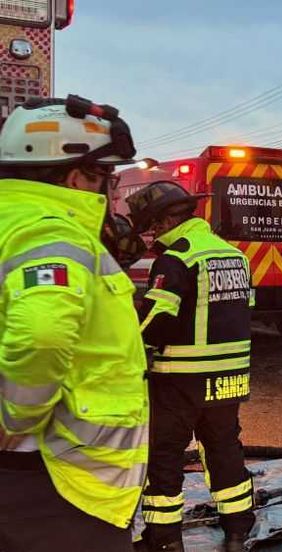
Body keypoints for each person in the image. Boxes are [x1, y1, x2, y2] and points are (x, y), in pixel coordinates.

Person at [0, 96, 148, 550]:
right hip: (59, 482)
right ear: (74, 174)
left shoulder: (15, 220)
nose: (107, 191)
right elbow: (42, 335)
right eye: (103, 176)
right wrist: (14, 421)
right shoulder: (50, 229)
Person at [128, 181, 255, 552]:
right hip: (230, 377)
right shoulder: (235, 255)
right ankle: (238, 528)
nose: (152, 235)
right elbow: (245, 311)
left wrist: (132, 347)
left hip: (179, 380)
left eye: (153, 225)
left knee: (164, 457)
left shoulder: (176, 258)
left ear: (169, 219)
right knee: (224, 449)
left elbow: (157, 320)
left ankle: (165, 538)